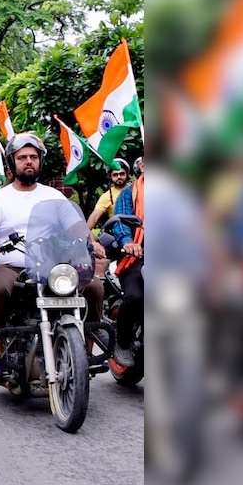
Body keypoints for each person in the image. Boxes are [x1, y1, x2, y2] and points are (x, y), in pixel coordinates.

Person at [0, 133, 105, 383]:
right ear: (12, 163)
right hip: (13, 263)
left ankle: (87, 346)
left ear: (40, 161)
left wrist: (92, 242)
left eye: (33, 157)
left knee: (95, 286)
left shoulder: (53, 196)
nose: (29, 162)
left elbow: (76, 225)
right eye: (22, 157)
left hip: (53, 264)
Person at [103, 156, 143, 367]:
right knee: (136, 297)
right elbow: (120, 221)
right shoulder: (129, 193)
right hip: (137, 255)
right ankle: (123, 342)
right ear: (142, 165)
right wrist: (128, 242)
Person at [86, 158, 131, 230]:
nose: (119, 177)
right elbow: (94, 217)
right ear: (110, 176)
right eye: (115, 175)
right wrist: (88, 235)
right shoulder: (107, 196)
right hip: (118, 232)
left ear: (127, 174)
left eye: (122, 174)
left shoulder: (136, 189)